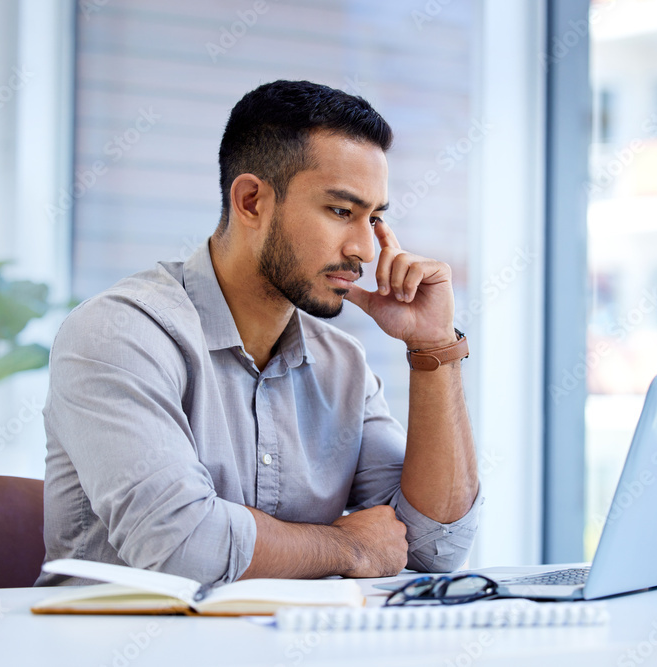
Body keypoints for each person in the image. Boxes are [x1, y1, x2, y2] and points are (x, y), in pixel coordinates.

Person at [36, 80, 481, 587]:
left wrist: (434, 348)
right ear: (251, 201)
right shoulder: (119, 336)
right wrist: (349, 545)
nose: (364, 248)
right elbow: (179, 546)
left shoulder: (343, 365)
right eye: (341, 211)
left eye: (374, 218)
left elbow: (434, 546)